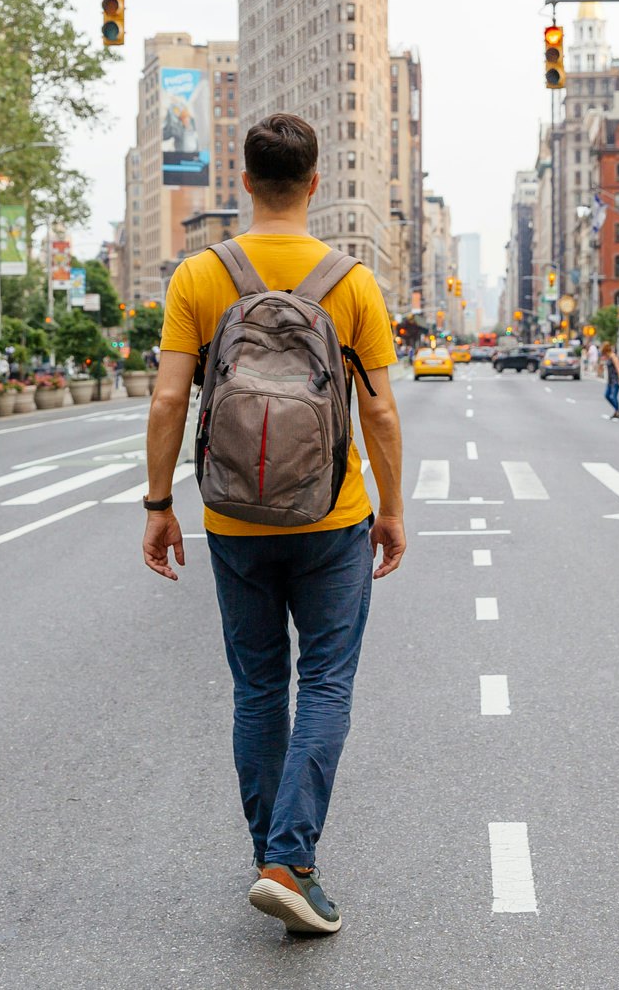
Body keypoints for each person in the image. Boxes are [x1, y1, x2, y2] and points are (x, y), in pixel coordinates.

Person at [141, 112, 403, 938]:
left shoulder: (198, 276)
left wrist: (158, 506)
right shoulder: (351, 281)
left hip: (232, 517)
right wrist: (391, 509)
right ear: (314, 184)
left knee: (257, 687)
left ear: (244, 182)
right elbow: (381, 411)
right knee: (324, 682)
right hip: (332, 516)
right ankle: (289, 860)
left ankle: (272, 854)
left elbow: (168, 399)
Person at [603, 346, 619, 420]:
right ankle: (617, 410)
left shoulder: (614, 357)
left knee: (613, 396)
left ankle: (617, 411)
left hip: (615, 380)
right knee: (607, 395)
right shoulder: (608, 358)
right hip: (610, 380)